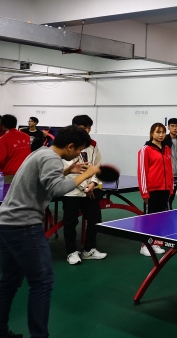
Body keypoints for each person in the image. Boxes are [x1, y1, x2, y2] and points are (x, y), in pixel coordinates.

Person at [0, 125, 100, 338]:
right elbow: (56, 189)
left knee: (9, 281)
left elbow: (42, 181)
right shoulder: (51, 158)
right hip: (24, 226)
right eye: (78, 150)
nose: (78, 154)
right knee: (42, 282)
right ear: (70, 146)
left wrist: (67, 171)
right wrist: (88, 174)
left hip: (6, 223)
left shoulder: (41, 152)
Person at [62, 115, 107, 265]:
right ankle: (71, 252)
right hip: (71, 190)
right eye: (83, 128)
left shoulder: (93, 144)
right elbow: (67, 171)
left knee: (95, 219)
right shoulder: (66, 145)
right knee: (70, 222)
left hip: (90, 190)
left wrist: (93, 183)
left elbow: (97, 165)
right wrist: (84, 186)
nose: (87, 131)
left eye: (89, 128)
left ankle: (89, 249)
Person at [137, 123, 174, 256]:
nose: (161, 135)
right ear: (152, 133)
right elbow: (142, 172)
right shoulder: (145, 150)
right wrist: (144, 192)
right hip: (152, 190)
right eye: (158, 132)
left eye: (163, 132)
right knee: (149, 219)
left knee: (160, 218)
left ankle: (155, 243)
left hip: (165, 189)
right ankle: (144, 245)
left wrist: (170, 188)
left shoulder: (167, 149)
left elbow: (169, 170)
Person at [0, 115, 31, 184]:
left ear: (3, 125)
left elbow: (1, 159)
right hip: (25, 171)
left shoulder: (3, 139)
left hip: (10, 173)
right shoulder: (26, 136)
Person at [163, 118, 177, 210]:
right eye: (172, 126)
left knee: (171, 196)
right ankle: (165, 212)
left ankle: (169, 210)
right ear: (168, 127)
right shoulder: (164, 139)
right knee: (165, 196)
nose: (175, 128)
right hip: (165, 173)